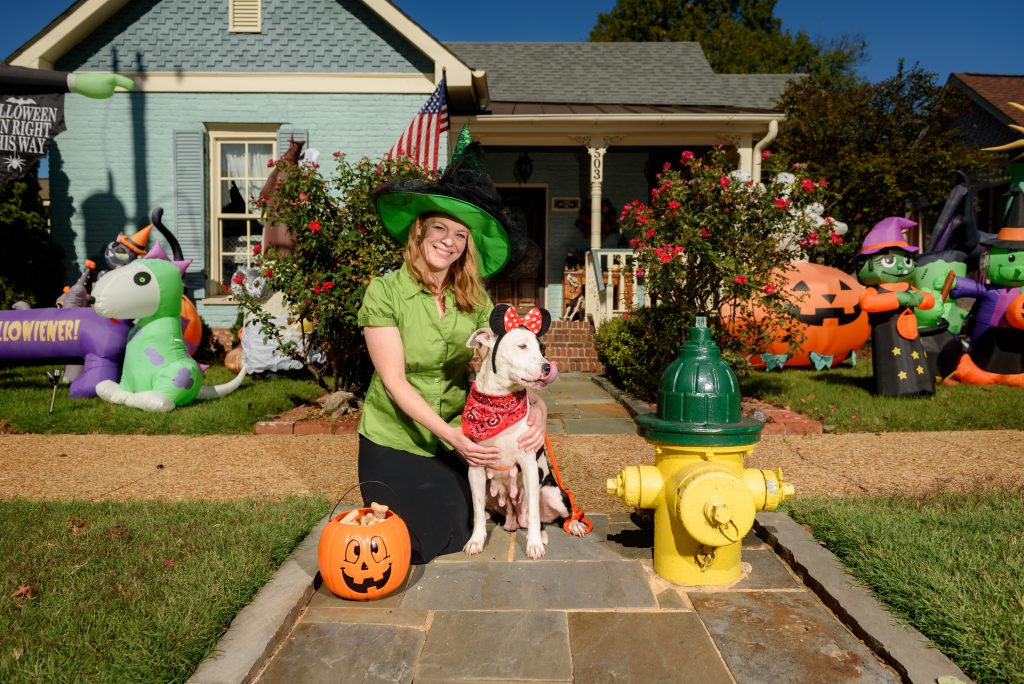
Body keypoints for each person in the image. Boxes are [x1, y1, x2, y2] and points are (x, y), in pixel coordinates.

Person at [357, 156, 550, 563]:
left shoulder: (476, 298)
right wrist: (453, 439)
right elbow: (394, 382)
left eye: (460, 235)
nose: (449, 241)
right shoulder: (385, 292)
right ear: (420, 232)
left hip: (462, 431)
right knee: (417, 539)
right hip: (398, 436)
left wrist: (538, 407)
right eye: (440, 229)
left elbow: (505, 361)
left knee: (462, 521)